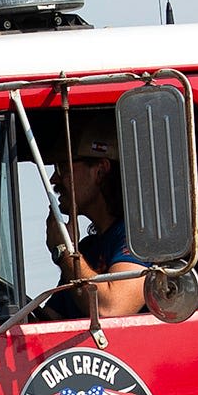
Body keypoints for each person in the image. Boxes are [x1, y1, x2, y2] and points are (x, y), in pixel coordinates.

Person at [46, 116, 146, 318]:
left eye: (63, 167)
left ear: (100, 171)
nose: (54, 179)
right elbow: (49, 318)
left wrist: (64, 251)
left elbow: (111, 308)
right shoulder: (87, 249)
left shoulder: (140, 237)